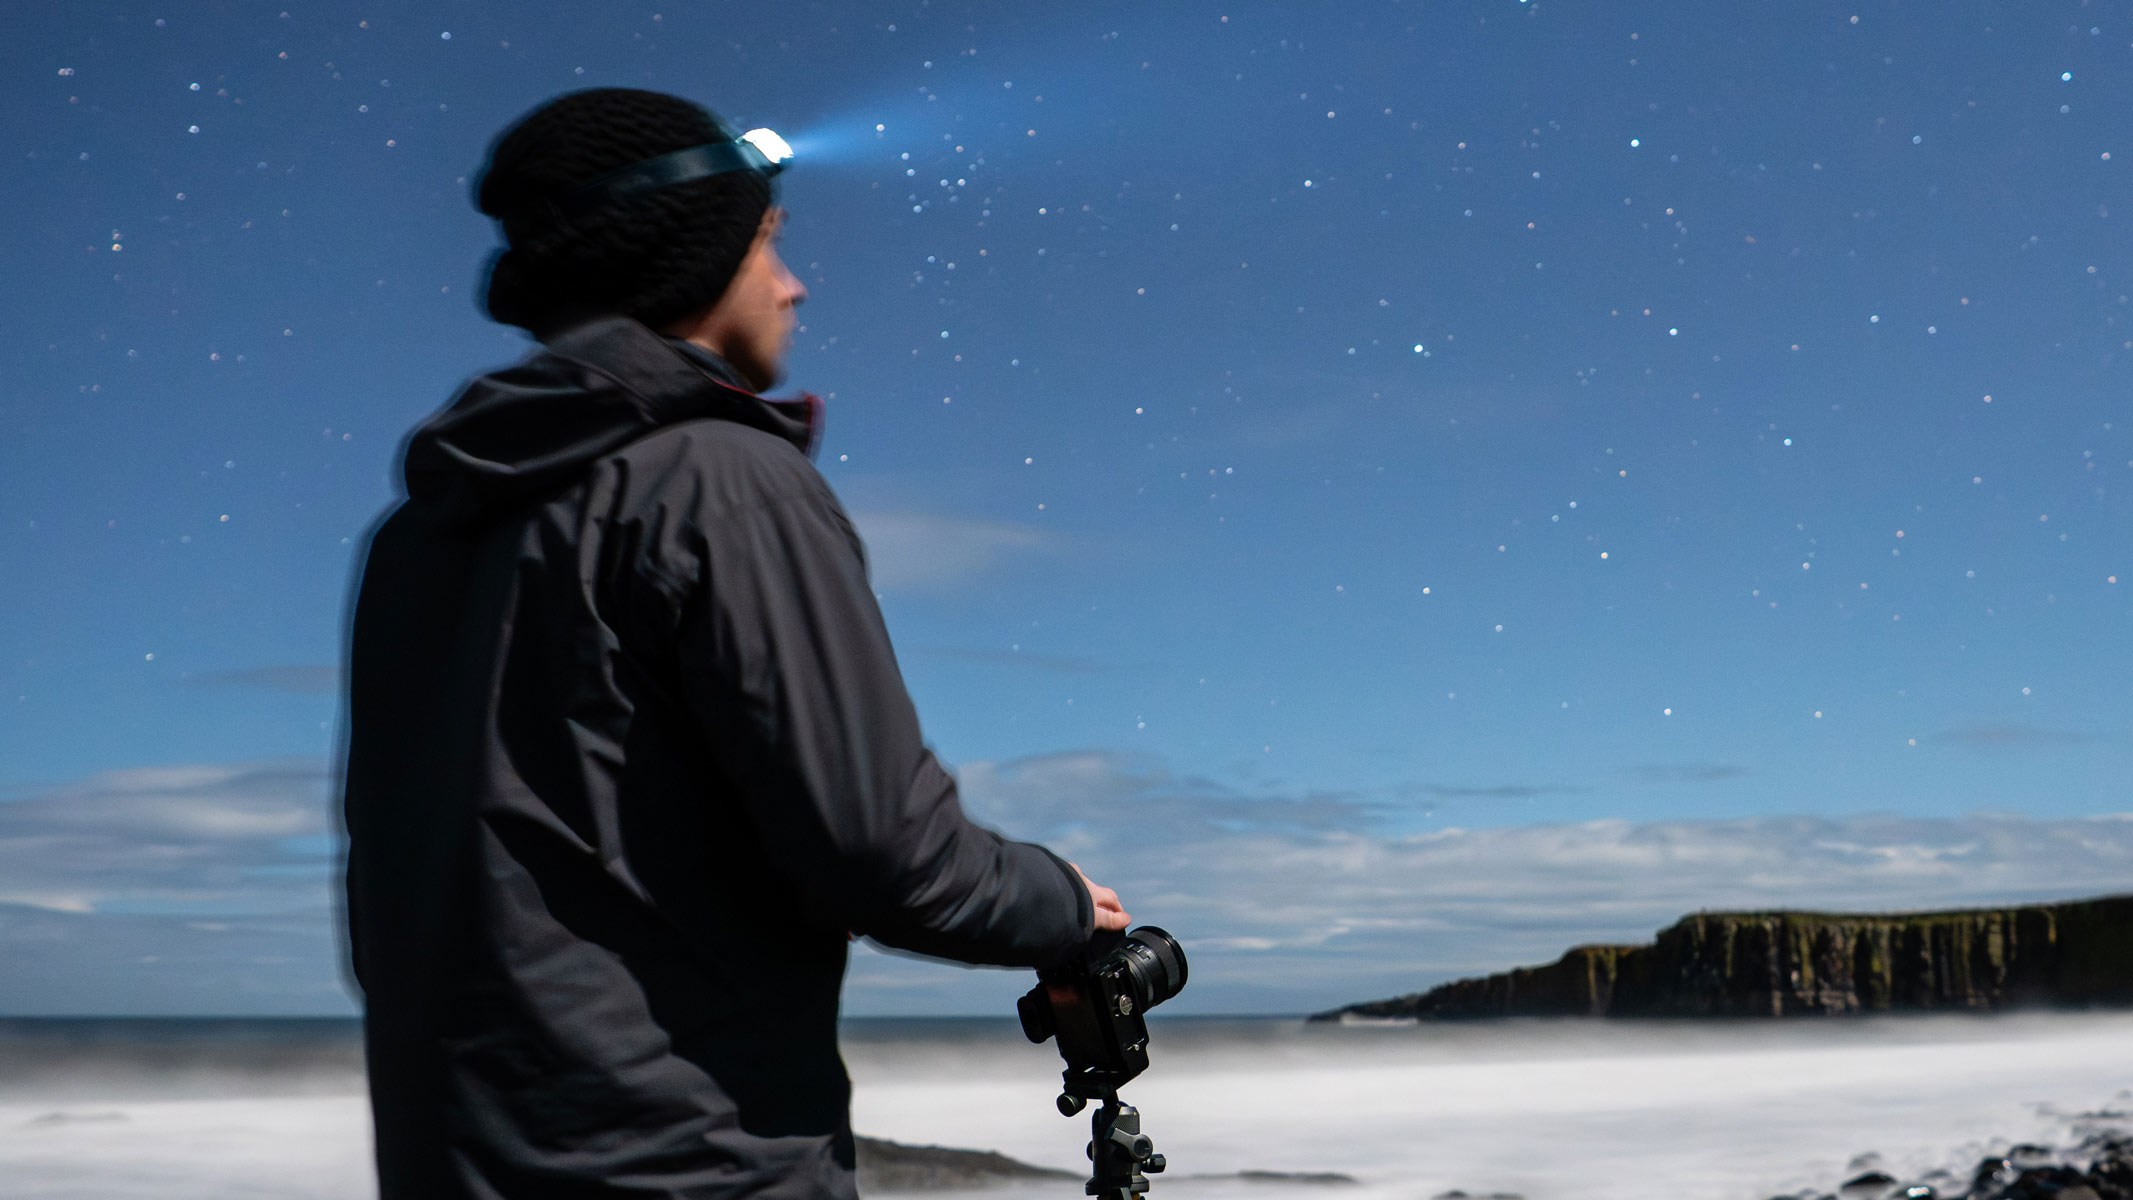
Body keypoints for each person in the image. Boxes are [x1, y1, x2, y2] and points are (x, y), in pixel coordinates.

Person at [340, 87, 1129, 1200]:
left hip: (459, 1157)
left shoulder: (423, 535)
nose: (794, 284)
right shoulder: (722, 482)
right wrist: (1059, 902)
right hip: (688, 1164)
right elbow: (881, 850)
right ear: (687, 256)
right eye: (769, 244)